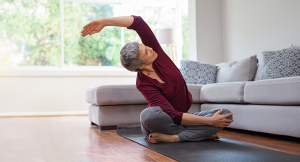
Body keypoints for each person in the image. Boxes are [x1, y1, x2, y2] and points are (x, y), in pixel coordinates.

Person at [81, 15, 233, 144]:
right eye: (146, 51)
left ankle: (174, 137)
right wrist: (210, 123)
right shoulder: (143, 83)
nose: (151, 48)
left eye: (147, 47)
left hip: (180, 121)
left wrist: (105, 22)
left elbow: (138, 22)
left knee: (226, 114)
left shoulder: (157, 54)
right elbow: (172, 115)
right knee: (148, 115)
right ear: (140, 65)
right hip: (162, 122)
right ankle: (194, 134)